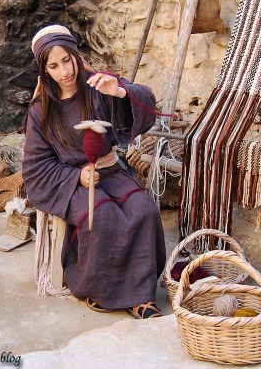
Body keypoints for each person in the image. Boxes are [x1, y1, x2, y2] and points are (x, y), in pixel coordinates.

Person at [22, 24, 166, 319]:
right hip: (72, 182)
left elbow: (148, 105)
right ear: (44, 71)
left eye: (67, 59)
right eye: (54, 65)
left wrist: (121, 91)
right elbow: (36, 167)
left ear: (76, 55)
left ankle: (140, 294)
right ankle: (98, 289)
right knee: (101, 216)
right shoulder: (40, 111)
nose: (64, 71)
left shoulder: (99, 87)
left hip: (110, 171)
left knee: (144, 211)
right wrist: (77, 176)